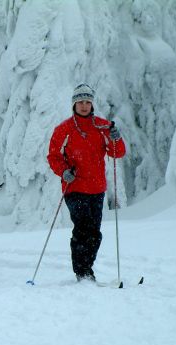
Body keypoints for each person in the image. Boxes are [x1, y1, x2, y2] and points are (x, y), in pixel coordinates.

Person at [47, 83, 126, 282]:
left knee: (94, 233)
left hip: (97, 188)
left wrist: (116, 138)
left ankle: (87, 268)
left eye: (87, 102)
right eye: (80, 102)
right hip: (74, 188)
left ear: (92, 105)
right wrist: (64, 171)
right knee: (82, 227)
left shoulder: (102, 126)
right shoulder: (63, 129)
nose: (84, 106)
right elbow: (53, 156)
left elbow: (117, 153)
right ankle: (82, 271)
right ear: (74, 105)